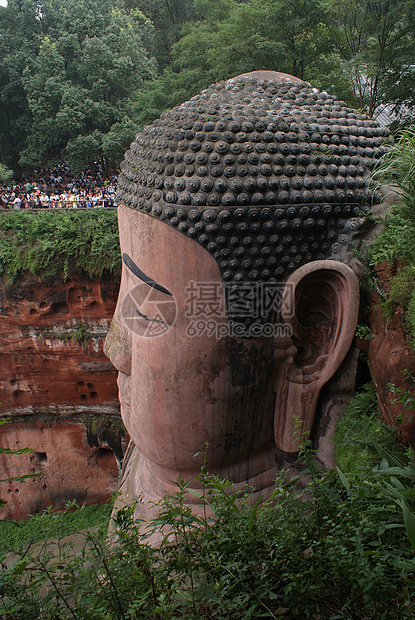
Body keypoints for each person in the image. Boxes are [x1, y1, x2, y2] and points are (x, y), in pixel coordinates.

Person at [104, 71, 386, 524]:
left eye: (146, 307)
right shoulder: (148, 475)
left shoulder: (305, 554)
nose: (113, 349)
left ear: (310, 341)